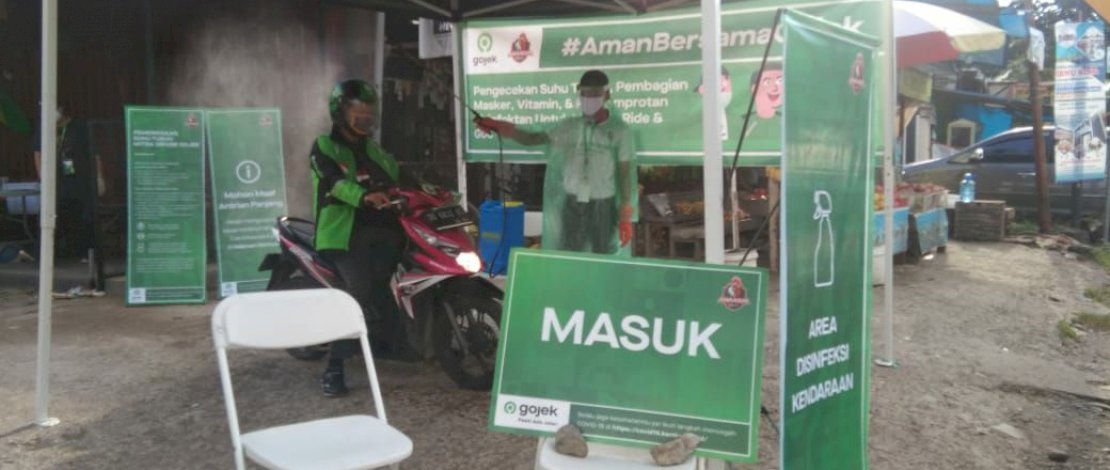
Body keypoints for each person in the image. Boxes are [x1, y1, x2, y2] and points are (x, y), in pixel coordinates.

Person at [310, 79, 407, 397]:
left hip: (384, 230)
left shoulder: (373, 149)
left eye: (369, 111)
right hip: (343, 234)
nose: (365, 117)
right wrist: (364, 196)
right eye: (358, 112)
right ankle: (334, 368)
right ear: (340, 113)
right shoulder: (325, 146)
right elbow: (333, 182)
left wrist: (434, 190)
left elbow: (400, 174)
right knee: (359, 291)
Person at [475, 70, 635, 255]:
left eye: (594, 94)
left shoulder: (620, 131)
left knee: (603, 256)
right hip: (573, 202)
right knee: (569, 255)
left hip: (604, 204)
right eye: (584, 94)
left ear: (606, 95)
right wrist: (496, 125)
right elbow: (531, 137)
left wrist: (625, 215)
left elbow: (625, 173)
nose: (588, 99)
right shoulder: (570, 126)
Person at [33, 104, 103, 262]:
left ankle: (86, 253)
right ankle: (51, 256)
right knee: (55, 215)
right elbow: (37, 153)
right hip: (56, 181)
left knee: (84, 216)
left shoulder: (79, 127)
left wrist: (99, 176)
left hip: (80, 180)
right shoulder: (44, 128)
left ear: (61, 109)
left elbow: (95, 153)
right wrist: (42, 177)